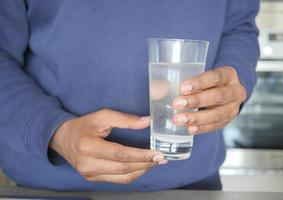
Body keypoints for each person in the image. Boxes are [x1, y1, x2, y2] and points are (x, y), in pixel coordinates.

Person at [0, 0, 259, 191]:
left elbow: (238, 27)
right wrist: (53, 130)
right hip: (51, 188)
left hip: (192, 186)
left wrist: (234, 79)